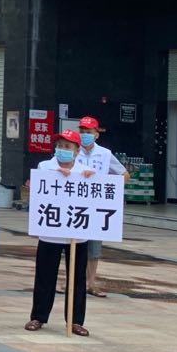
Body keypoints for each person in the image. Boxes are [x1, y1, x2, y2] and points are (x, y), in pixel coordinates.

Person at [27, 129, 95, 336]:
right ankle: (38, 316)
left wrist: (87, 178)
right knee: (45, 275)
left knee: (77, 278)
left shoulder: (85, 170)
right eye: (59, 146)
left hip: (77, 231)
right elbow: (38, 190)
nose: (62, 150)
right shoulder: (44, 167)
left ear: (76, 151)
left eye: (67, 146)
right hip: (51, 230)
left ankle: (76, 321)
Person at [76, 115, 128, 297]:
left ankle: (91, 283)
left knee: (94, 248)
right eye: (82, 131)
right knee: (73, 245)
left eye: (88, 132)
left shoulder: (105, 154)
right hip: (75, 204)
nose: (84, 135)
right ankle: (72, 282)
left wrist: (111, 193)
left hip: (96, 206)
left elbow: (124, 175)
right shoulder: (73, 150)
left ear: (96, 134)